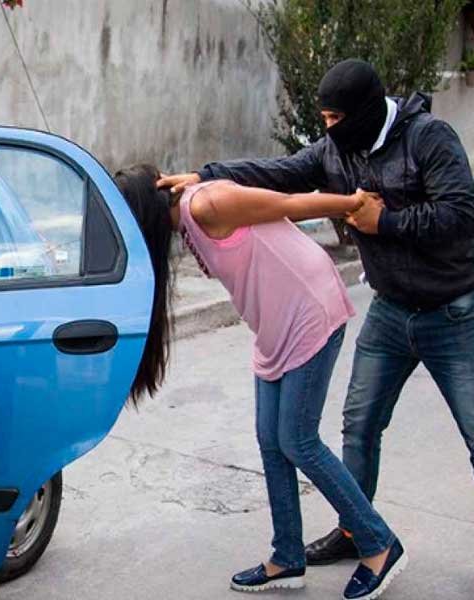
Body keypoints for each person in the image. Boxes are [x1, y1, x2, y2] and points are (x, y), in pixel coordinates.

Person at [159, 59, 474, 567]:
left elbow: (461, 215)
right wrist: (208, 174)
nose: (328, 129)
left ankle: (368, 537)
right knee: (360, 425)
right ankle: (357, 530)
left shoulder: (429, 139)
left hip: (453, 313)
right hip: (391, 312)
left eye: (334, 118)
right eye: (324, 120)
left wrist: (386, 221)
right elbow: (282, 173)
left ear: (366, 111)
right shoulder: (337, 149)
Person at [117, 165, 406, 599]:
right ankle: (287, 556)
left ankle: (379, 543)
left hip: (309, 312)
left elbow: (290, 203)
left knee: (298, 440)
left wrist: (352, 203)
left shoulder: (208, 203)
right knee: (270, 439)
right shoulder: (188, 213)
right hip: (273, 325)